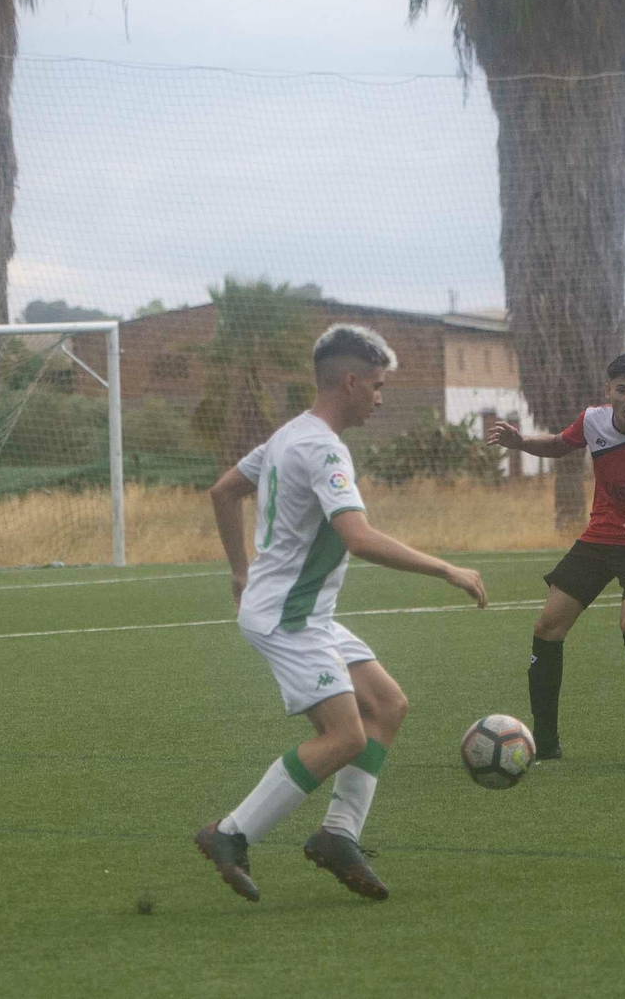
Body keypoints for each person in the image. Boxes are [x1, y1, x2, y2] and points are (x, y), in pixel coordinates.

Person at [196, 324, 487, 903]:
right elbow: (357, 538)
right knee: (345, 735)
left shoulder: (289, 435)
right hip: (289, 616)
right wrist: (446, 569)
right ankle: (229, 833)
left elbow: (223, 491)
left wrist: (239, 569)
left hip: (305, 612)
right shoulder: (323, 446)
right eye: (377, 385)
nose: (381, 397)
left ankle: (337, 836)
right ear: (350, 381)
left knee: (388, 705)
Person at [487, 353, 625, 767]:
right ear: (609, 392)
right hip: (599, 538)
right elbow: (557, 445)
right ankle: (546, 743)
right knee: (547, 627)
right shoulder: (592, 421)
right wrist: (521, 443)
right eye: (622, 390)